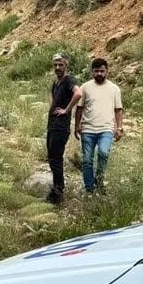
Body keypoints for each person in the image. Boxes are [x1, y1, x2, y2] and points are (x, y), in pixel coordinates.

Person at [74, 57, 124, 194]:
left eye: (102, 71)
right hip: (88, 129)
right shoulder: (85, 87)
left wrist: (119, 128)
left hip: (106, 129)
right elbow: (79, 108)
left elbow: (118, 110)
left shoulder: (114, 89)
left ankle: (100, 181)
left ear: (107, 71)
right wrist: (76, 126)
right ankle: (90, 188)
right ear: (92, 72)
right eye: (96, 71)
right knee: (87, 160)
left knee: (103, 153)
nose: (99, 74)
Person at [46, 53, 83, 204]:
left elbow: (78, 93)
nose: (57, 68)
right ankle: (56, 188)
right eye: (55, 65)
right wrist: (53, 106)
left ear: (66, 66)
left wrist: (66, 110)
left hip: (61, 126)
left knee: (56, 158)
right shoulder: (56, 82)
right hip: (52, 124)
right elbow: (52, 96)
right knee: (52, 156)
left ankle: (58, 191)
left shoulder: (69, 80)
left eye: (60, 65)